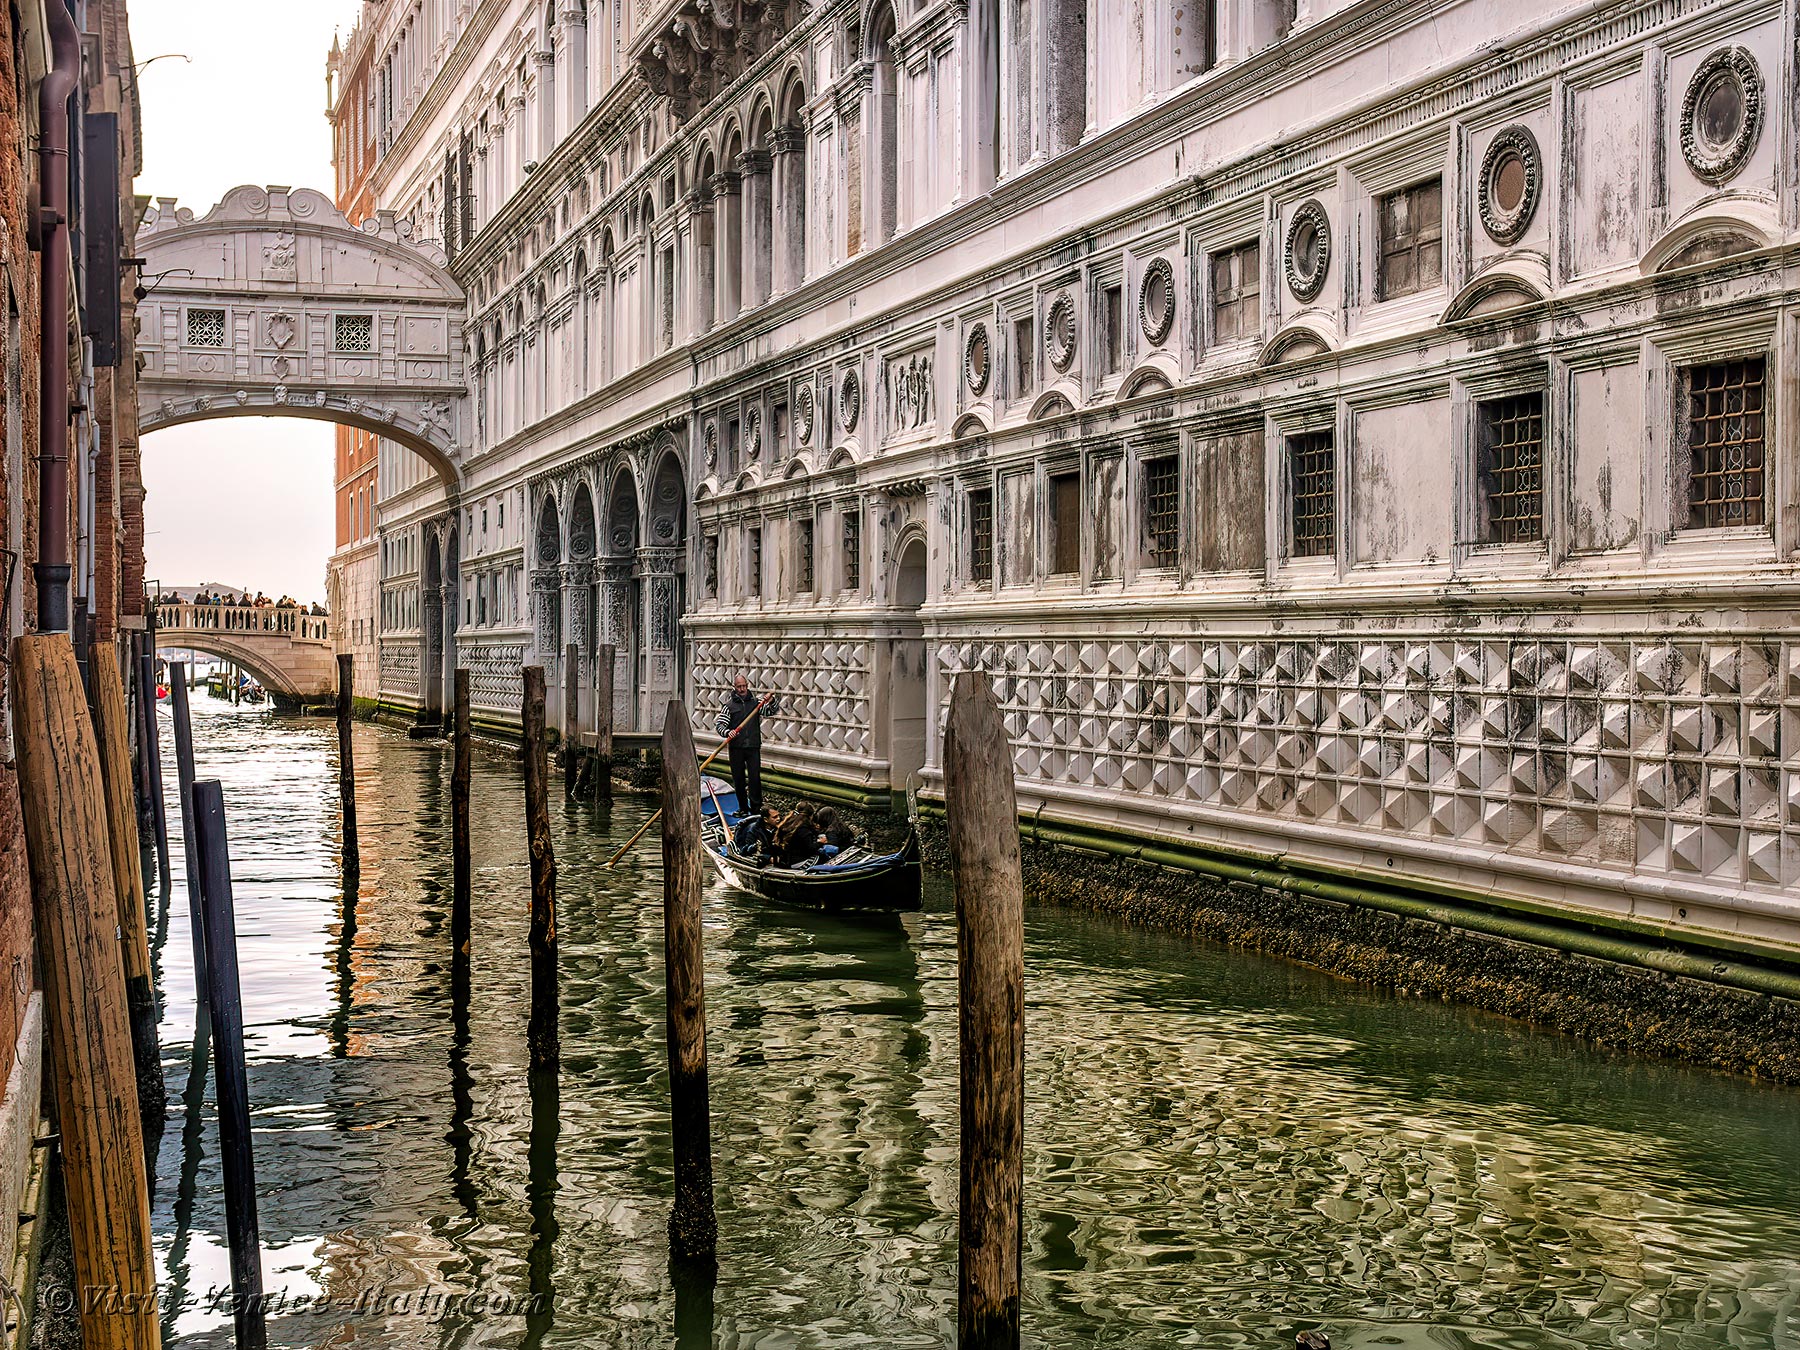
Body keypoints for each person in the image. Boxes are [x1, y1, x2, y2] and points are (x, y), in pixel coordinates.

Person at [715, 674, 780, 815]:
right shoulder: (729, 707)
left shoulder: (756, 704)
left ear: (747, 685)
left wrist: (772, 700)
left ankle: (756, 809)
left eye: (744, 686)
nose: (742, 689)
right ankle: (743, 808)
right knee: (738, 779)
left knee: (755, 778)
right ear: (735, 687)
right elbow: (720, 725)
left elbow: (770, 711)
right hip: (736, 748)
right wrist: (728, 732)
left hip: (753, 747)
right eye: (739, 687)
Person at [772, 802, 818, 867]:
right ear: (810, 816)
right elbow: (810, 849)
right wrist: (820, 842)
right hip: (797, 862)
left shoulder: (786, 823)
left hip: (784, 859)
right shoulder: (804, 829)